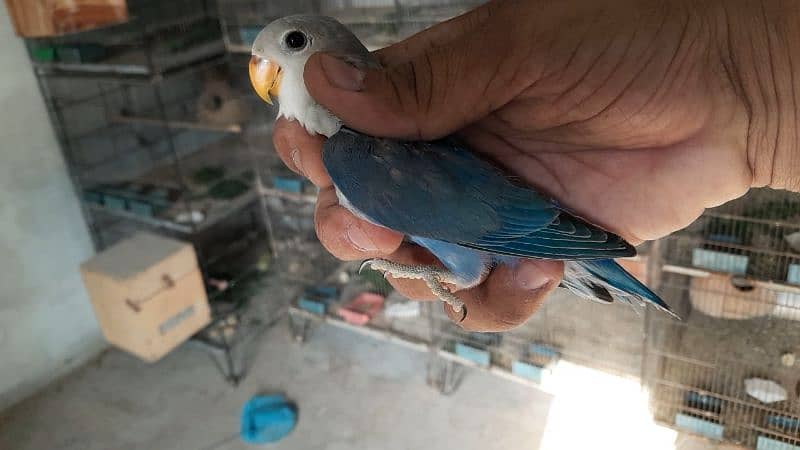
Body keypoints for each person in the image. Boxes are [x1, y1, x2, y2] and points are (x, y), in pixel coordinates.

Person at [272, 0, 800, 331]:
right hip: (521, 217)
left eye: (292, 45)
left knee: (443, 261)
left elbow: (471, 242)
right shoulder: (356, 154)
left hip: (518, 224)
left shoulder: (354, 157)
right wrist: (751, 87)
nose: (268, 73)